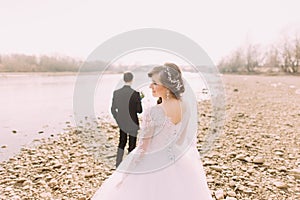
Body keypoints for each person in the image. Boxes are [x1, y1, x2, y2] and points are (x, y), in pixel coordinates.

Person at [93, 63, 212, 200]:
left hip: (152, 163)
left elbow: (143, 149)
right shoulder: (186, 106)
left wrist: (126, 174)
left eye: (155, 83)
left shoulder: (154, 111)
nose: (150, 86)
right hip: (177, 160)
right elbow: (181, 140)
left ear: (167, 86)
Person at [111, 72, 143, 168]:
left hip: (122, 122)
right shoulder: (136, 94)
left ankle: (118, 164)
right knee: (132, 144)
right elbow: (139, 110)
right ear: (132, 80)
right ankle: (130, 165)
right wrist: (139, 100)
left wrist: (118, 119)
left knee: (122, 142)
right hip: (133, 122)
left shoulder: (117, 93)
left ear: (124, 79)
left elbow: (113, 109)